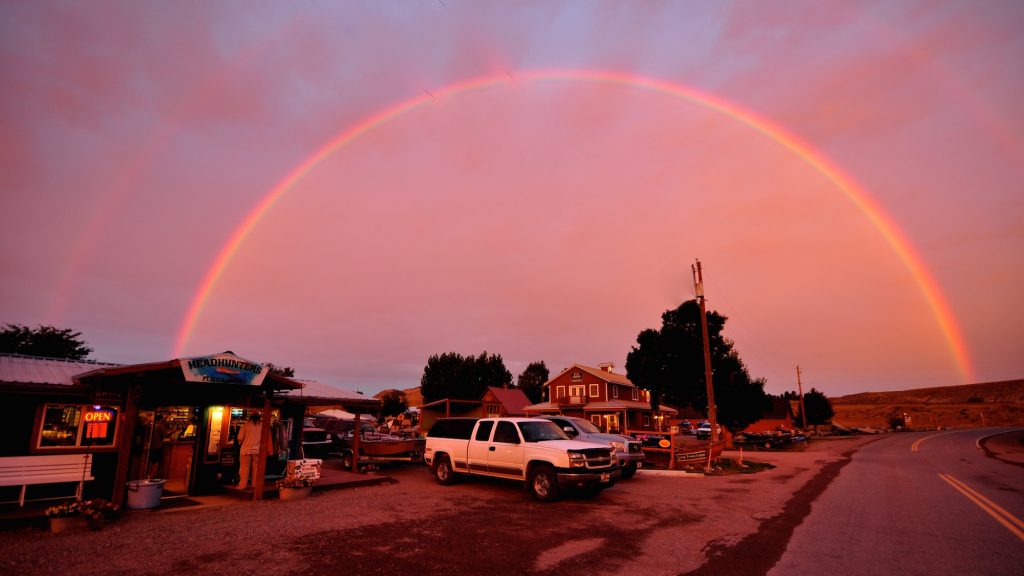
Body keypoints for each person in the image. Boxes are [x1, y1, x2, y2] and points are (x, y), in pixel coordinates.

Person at [235, 412, 262, 490]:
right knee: (256, 469)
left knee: (244, 469)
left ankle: (242, 485)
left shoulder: (245, 425)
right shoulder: (262, 426)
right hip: (257, 450)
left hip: (245, 450)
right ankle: (254, 484)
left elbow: (240, 438)